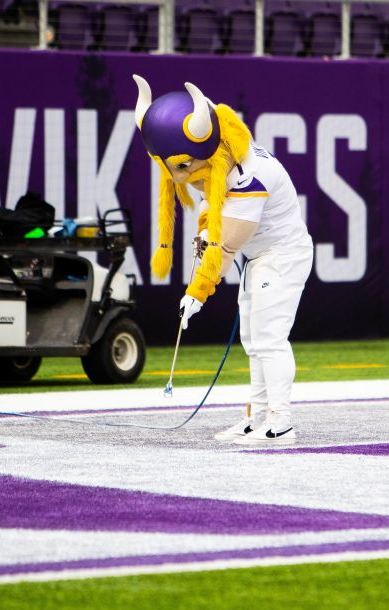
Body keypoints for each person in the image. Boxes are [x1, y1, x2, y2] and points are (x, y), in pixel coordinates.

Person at [133, 75, 314, 445]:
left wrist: (197, 291)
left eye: (183, 167)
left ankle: (280, 420)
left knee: (268, 338)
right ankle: (257, 416)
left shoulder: (252, 176)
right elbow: (209, 199)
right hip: (259, 257)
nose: (180, 178)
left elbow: (226, 246)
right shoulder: (217, 159)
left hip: (281, 255)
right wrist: (204, 231)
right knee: (252, 338)